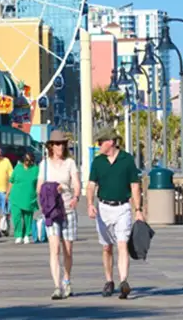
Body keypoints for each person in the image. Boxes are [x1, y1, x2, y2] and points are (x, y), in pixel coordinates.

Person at [86, 127, 142, 300]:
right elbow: (91, 185)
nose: (98, 145)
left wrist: (138, 210)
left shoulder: (127, 160)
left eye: (100, 142)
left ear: (110, 142)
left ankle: (123, 281)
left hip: (123, 207)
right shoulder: (98, 162)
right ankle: (109, 280)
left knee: (122, 243)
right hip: (103, 207)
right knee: (106, 246)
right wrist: (89, 204)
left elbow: (134, 185)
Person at [38, 130, 81, 300]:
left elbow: (76, 183)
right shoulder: (45, 164)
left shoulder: (70, 163)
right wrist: (49, 191)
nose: (60, 146)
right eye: (56, 144)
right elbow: (39, 187)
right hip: (52, 211)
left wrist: (76, 196)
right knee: (54, 248)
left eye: (62, 143)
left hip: (68, 209)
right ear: (51, 146)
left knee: (68, 250)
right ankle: (57, 286)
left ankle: (67, 280)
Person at [8, 152, 39, 245]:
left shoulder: (36, 169)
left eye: (30, 161)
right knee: (16, 217)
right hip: (15, 197)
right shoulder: (17, 168)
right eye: (26, 160)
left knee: (28, 217)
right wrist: (7, 193)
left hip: (29, 197)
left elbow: (39, 182)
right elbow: (11, 181)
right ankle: (18, 235)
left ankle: (26, 235)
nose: (27, 162)